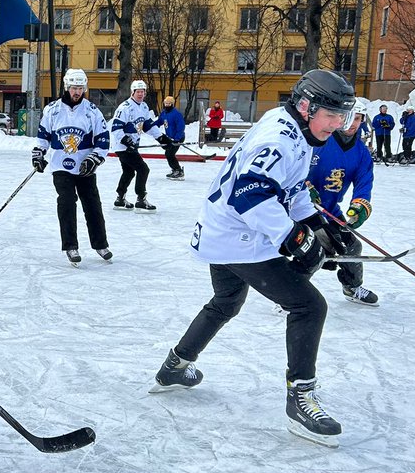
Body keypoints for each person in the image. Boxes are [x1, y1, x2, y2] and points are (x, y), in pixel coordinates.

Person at [151, 69, 356, 447]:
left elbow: (288, 188)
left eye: (342, 116)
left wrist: (317, 224)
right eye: (331, 115)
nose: (337, 124)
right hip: (238, 236)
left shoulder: (296, 129)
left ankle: (175, 367)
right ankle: (300, 400)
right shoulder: (280, 137)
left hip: (221, 231)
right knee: (309, 307)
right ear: (307, 106)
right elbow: (250, 194)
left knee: (227, 301)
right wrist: (296, 238)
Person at [32, 67, 112, 265]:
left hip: (85, 168)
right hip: (61, 167)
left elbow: (103, 141)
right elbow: (43, 138)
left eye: (80, 88)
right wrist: (38, 154)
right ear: (66, 87)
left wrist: (93, 159)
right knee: (66, 203)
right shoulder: (52, 110)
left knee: (93, 204)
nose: (77, 92)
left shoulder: (93, 112)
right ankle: (70, 246)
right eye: (74, 88)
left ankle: (100, 244)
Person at [307, 98, 378, 306]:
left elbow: (364, 183)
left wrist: (359, 206)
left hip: (329, 209)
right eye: (351, 117)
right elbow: (293, 169)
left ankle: (352, 286)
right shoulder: (319, 141)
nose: (354, 123)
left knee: (352, 246)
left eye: (359, 118)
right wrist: (304, 187)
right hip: (303, 209)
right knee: (315, 249)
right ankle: (291, 293)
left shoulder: (361, 153)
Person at [110, 79, 157, 212]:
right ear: (133, 92)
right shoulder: (125, 107)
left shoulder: (143, 107)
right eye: (138, 92)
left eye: (143, 92)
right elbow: (116, 128)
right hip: (123, 147)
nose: (141, 94)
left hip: (132, 146)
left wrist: (162, 137)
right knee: (143, 169)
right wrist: (126, 140)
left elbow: (148, 125)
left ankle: (120, 198)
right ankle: (141, 199)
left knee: (129, 172)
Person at [153, 96, 186, 179]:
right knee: (168, 154)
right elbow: (159, 121)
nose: (167, 105)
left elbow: (181, 127)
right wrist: (150, 126)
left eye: (169, 103)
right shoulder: (164, 113)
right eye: (166, 103)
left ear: (172, 104)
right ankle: (175, 169)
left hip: (178, 137)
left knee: (169, 154)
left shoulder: (176, 114)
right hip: (169, 137)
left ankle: (178, 170)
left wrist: (177, 139)